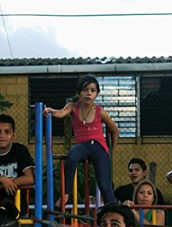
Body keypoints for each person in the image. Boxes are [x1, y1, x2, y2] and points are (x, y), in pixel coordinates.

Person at [44, 74, 118, 205]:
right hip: (83, 145)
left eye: (92, 90)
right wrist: (51, 111)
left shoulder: (100, 111)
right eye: (85, 90)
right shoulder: (73, 106)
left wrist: (111, 149)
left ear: (97, 93)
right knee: (72, 156)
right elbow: (61, 113)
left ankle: (112, 208)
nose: (88, 93)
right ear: (79, 93)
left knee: (103, 181)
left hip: (99, 145)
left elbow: (114, 129)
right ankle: (66, 194)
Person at [0, 114, 35, 201]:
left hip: (17, 206)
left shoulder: (20, 150)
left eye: (7, 132)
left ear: (13, 135)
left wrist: (0, 185)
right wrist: (2, 179)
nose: (2, 135)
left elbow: (30, 178)